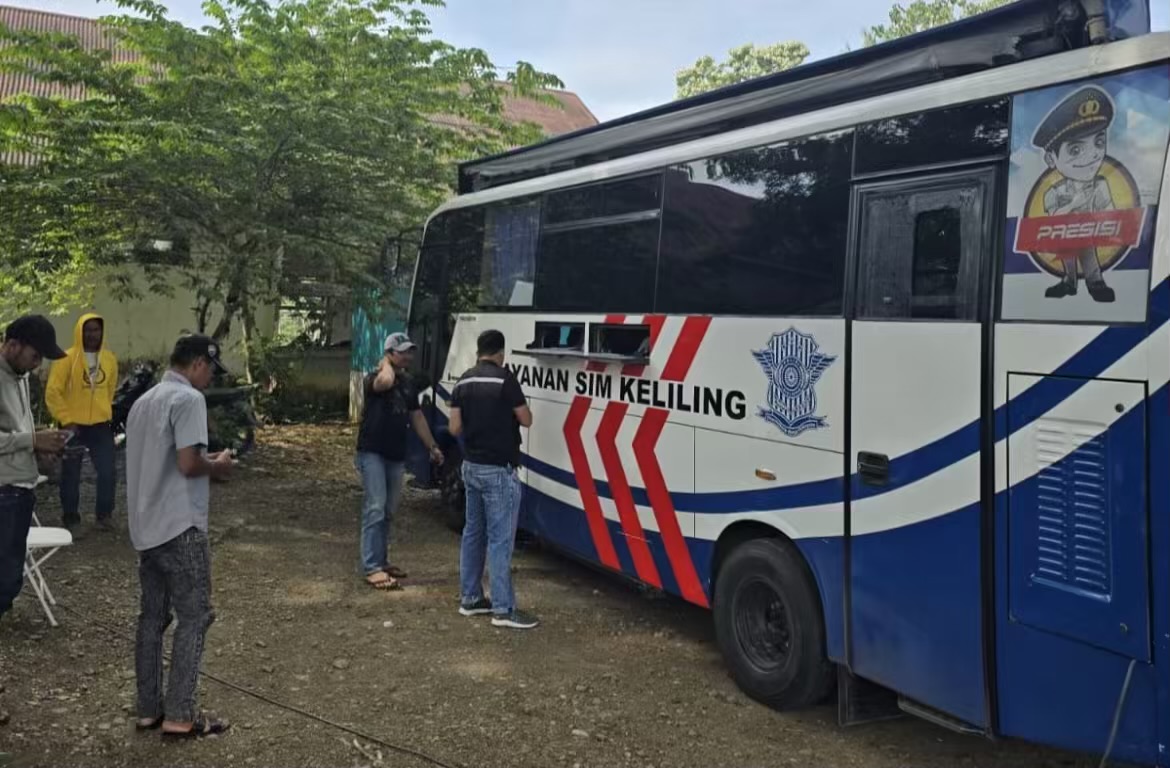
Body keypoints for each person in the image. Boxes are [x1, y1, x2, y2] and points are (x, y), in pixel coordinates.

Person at [126, 334, 234, 738]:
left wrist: (206, 461)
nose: (210, 379)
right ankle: (181, 714)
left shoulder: (143, 402)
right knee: (195, 616)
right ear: (198, 363)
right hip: (180, 525)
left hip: (147, 526)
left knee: (152, 618)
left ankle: (148, 709)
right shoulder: (189, 399)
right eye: (211, 371)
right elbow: (188, 463)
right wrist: (218, 466)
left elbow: (163, 460)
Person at [449, 329, 537, 630]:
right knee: (500, 540)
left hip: (471, 466)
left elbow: (454, 428)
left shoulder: (463, 381)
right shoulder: (505, 380)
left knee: (473, 533)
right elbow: (526, 419)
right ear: (500, 353)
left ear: (479, 352)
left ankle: (471, 599)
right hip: (498, 470)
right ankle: (503, 608)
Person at [355, 332, 443, 591]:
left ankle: (381, 560)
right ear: (390, 353)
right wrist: (385, 364)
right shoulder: (374, 377)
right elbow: (384, 382)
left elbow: (417, 417)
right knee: (375, 506)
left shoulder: (407, 383)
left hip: (395, 455)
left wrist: (432, 446)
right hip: (372, 451)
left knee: (388, 510)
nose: (408, 356)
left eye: (410, 351)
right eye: (402, 352)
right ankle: (371, 567)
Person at [0, 315, 69, 621]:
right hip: (4, 490)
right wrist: (32, 440)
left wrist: (41, 446)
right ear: (13, 345)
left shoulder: (21, 376)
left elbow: (14, 431)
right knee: (5, 577)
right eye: (35, 355)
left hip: (22, 487)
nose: (37, 364)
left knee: (11, 574)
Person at [1033, 85, 1117, 302]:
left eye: (1099, 142)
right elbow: (1053, 219)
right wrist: (1073, 204)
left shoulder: (1100, 185)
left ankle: (1095, 283)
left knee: (1088, 251)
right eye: (1075, 150)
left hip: (1088, 232)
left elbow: (1110, 214)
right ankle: (1069, 283)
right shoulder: (1054, 191)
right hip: (1065, 234)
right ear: (1051, 159)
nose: (1092, 156)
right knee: (1066, 252)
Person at [45, 313, 119, 533]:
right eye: (87, 330)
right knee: (71, 473)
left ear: (102, 332)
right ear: (79, 331)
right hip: (72, 425)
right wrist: (66, 419)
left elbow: (110, 389)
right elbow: (53, 392)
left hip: (100, 425)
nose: (92, 334)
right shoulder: (66, 358)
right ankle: (71, 519)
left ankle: (104, 515)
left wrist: (104, 412)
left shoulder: (109, 359)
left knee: (108, 470)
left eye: (96, 329)